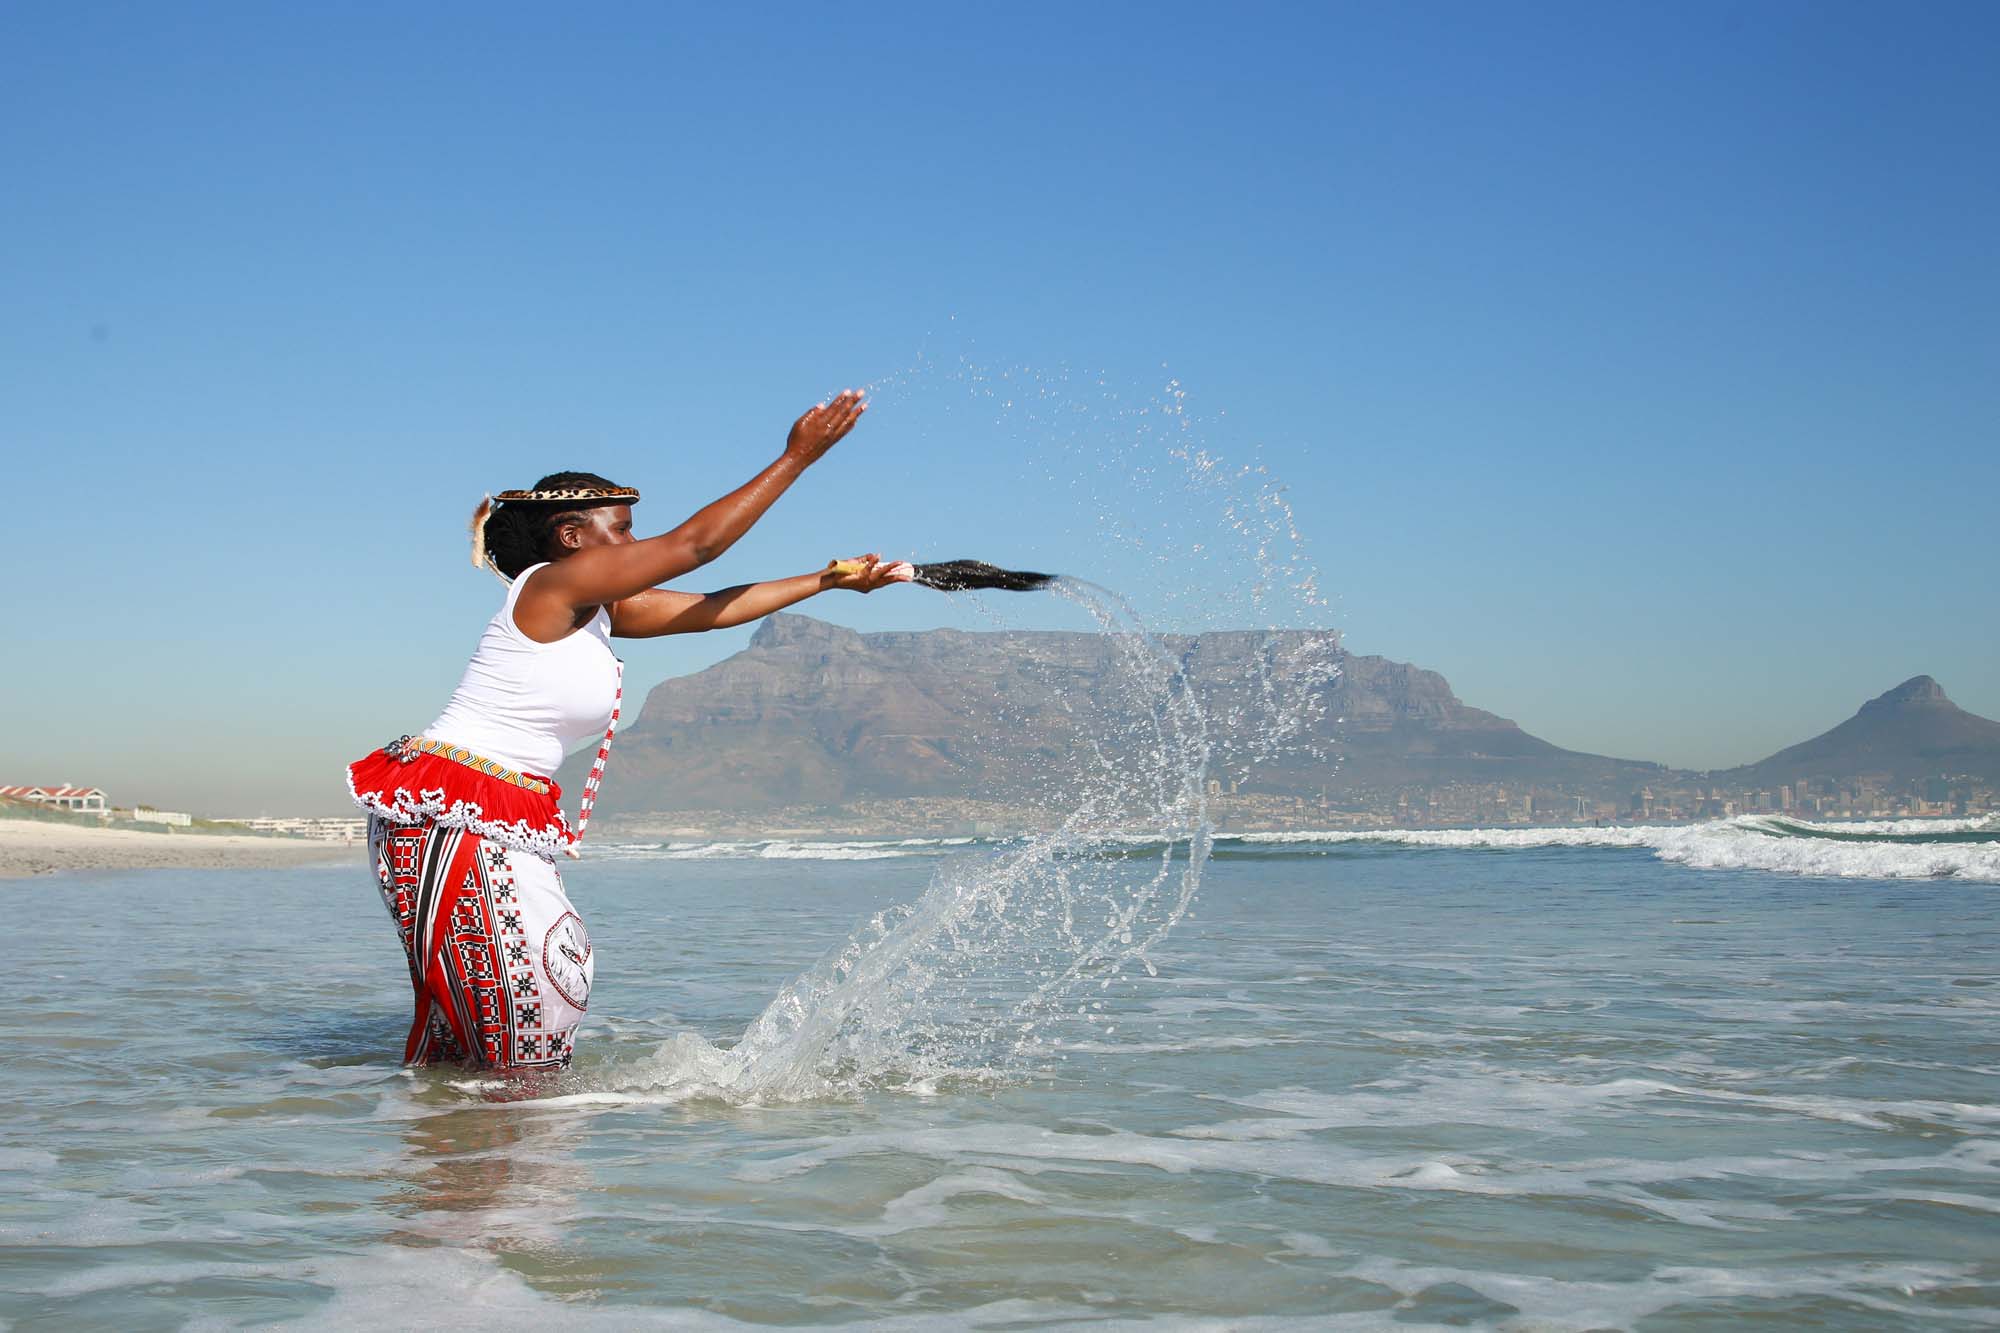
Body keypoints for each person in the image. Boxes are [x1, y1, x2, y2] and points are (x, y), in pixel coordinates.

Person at [346, 389, 905, 1072]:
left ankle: (473, 1161)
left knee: (519, 1023)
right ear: (573, 538)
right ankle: (502, 1165)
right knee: (532, 1014)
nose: (637, 543)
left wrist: (826, 580)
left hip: (481, 817)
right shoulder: (552, 584)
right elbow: (696, 545)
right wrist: (797, 458)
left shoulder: (598, 610)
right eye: (624, 528)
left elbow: (711, 609)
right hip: (454, 815)